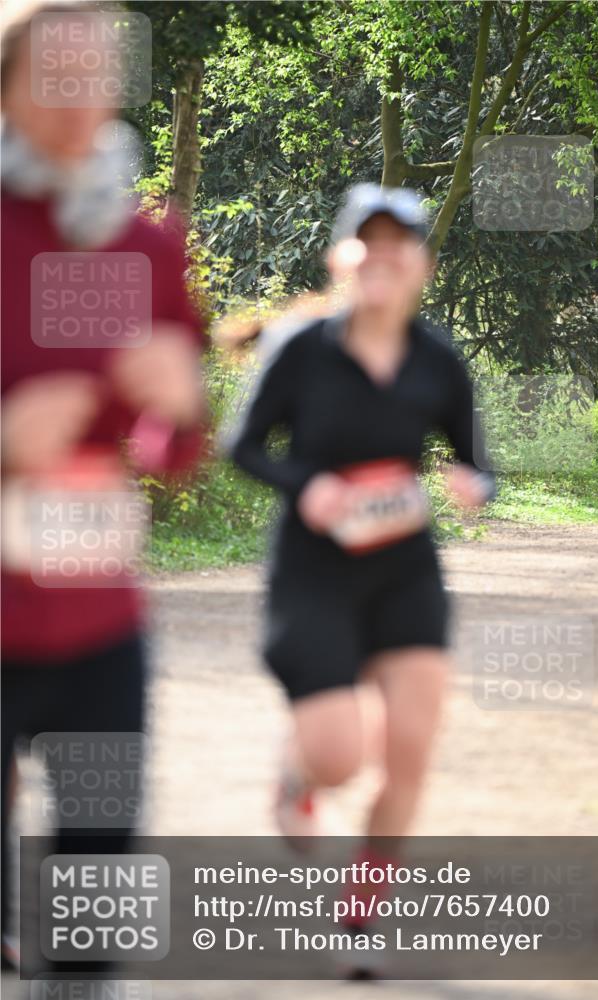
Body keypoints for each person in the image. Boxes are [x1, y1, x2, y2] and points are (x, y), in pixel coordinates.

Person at [227, 183, 495, 973]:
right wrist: (305, 484)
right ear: (341, 258)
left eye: (399, 244)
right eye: (366, 242)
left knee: (410, 747)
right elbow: (241, 446)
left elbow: (478, 458)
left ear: (423, 265)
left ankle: (361, 914)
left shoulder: (437, 357)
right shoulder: (303, 349)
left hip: (404, 570)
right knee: (339, 758)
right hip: (313, 573)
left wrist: (475, 484)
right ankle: (295, 772)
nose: (382, 256)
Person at [0, 0, 206, 974]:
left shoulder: (143, 248)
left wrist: (176, 413)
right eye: (56, 73)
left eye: (98, 74)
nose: (82, 97)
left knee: (94, 906)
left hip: (98, 627)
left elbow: (173, 449)